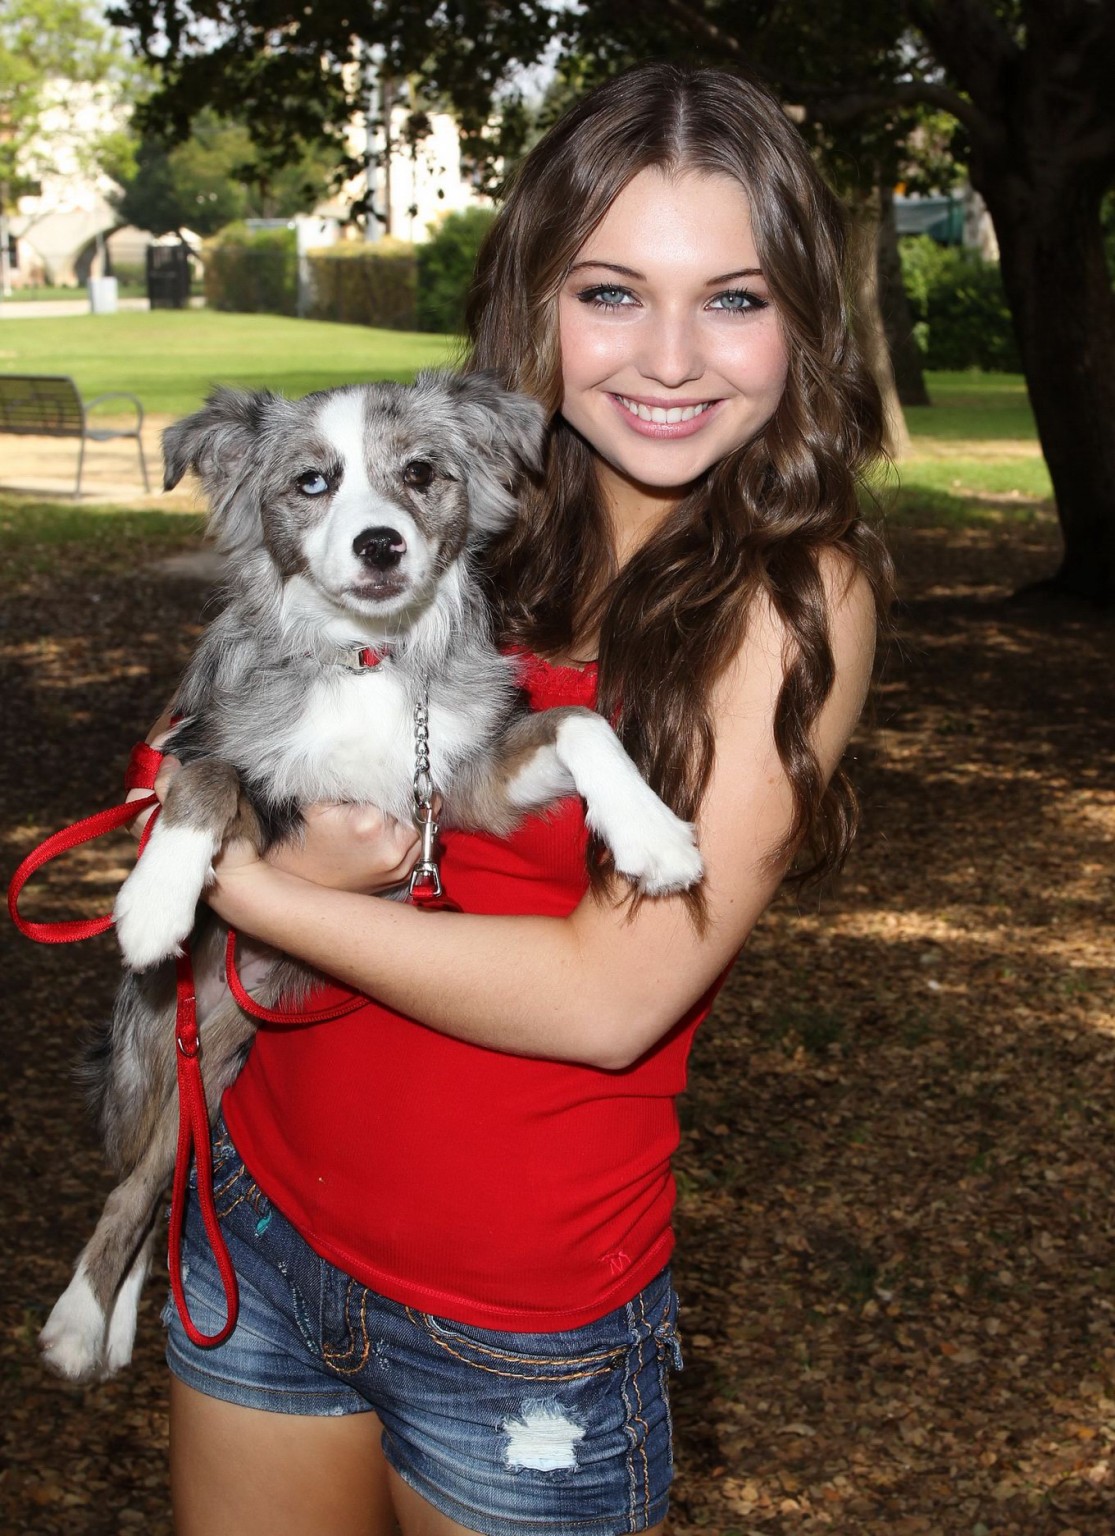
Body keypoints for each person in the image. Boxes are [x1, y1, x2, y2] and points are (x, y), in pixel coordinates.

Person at [154, 62, 891, 1536]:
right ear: (536, 302)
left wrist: (247, 884)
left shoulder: (795, 596)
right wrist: (221, 805)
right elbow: (202, 719)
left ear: (801, 319)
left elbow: (608, 997)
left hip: (512, 1328)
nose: (672, 358)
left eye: (735, 298)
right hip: (262, 1221)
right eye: (613, 293)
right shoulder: (444, 498)